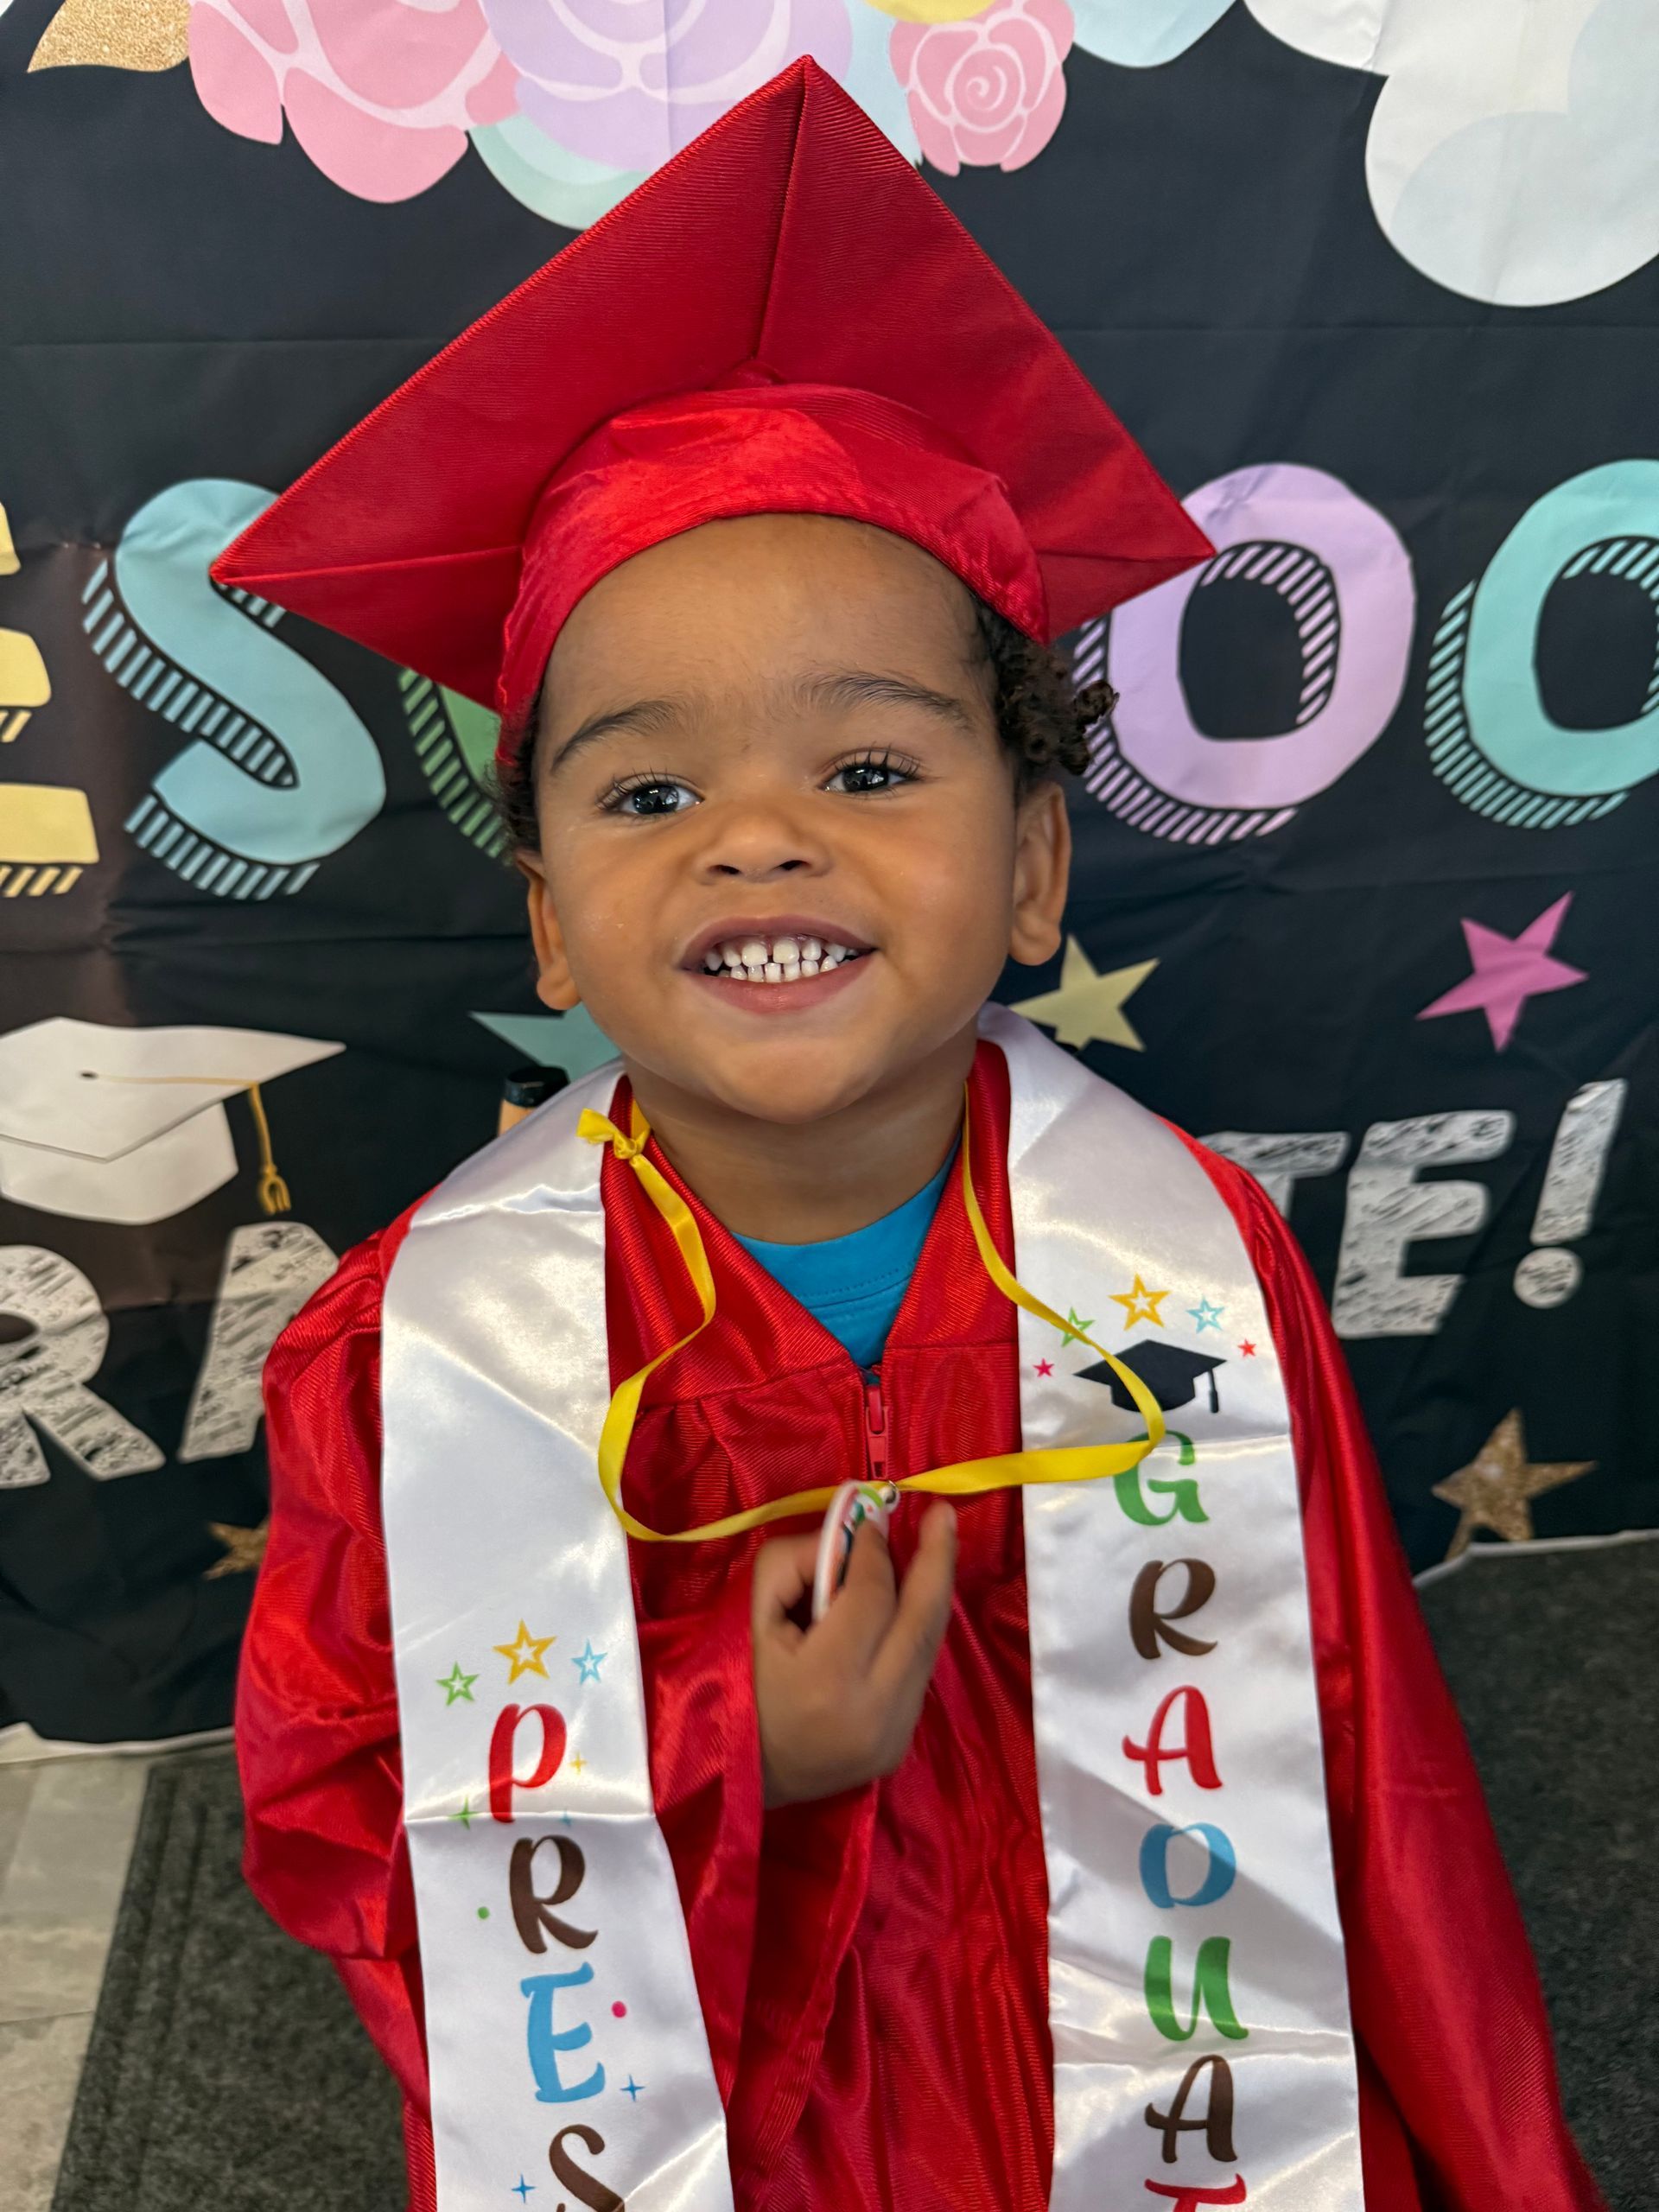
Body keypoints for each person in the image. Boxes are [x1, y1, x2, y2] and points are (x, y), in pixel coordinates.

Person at [226, 60, 1600, 2212]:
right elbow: (343, 1804)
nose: (758, 839)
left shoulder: (1188, 1264)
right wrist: (722, 1747)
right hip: (724, 2097)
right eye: (649, 792)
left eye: (869, 772)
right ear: (550, 928)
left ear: (1038, 868)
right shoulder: (436, 1350)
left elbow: (1365, 1763)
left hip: (1152, 2068)